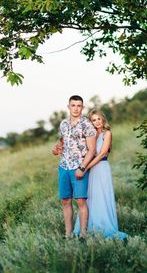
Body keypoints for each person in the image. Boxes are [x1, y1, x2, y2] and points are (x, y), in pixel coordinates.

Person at [74, 109, 127, 239]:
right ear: (90, 122)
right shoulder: (92, 135)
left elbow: (102, 154)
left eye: (99, 119)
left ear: (103, 119)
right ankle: (89, 227)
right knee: (91, 197)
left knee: (102, 196)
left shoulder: (107, 133)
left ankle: (104, 226)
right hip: (92, 170)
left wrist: (85, 168)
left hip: (101, 168)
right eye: (93, 120)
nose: (97, 122)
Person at [52, 95, 96, 238]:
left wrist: (82, 167)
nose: (76, 108)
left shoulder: (87, 125)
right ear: (68, 106)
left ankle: (83, 234)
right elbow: (62, 141)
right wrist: (57, 148)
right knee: (65, 200)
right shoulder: (63, 124)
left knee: (80, 201)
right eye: (73, 105)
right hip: (64, 166)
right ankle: (68, 234)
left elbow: (92, 150)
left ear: (82, 107)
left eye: (79, 106)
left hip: (78, 167)